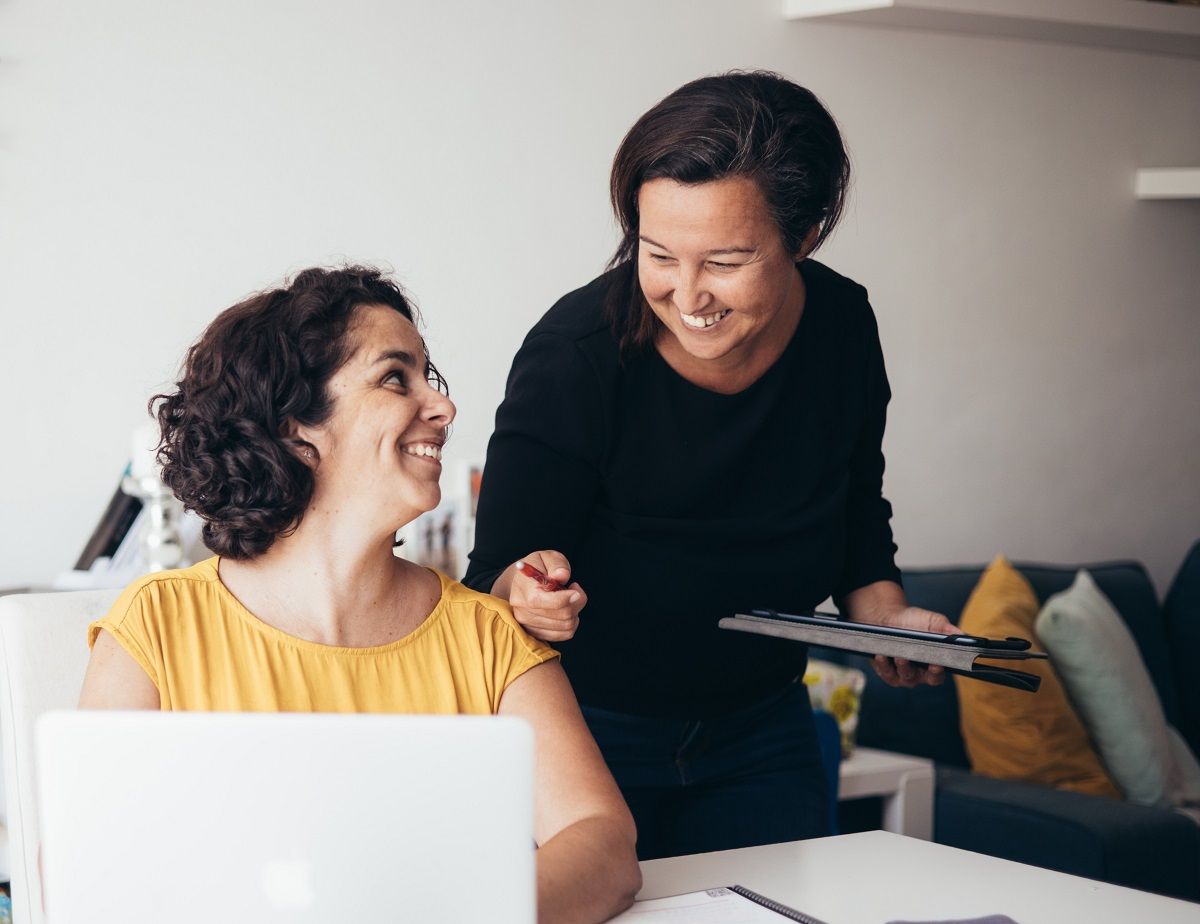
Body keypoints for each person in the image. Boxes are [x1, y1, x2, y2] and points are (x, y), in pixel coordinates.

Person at [463, 71, 958, 861]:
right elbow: (491, 583)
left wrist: (887, 617)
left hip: (762, 729)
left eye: (725, 262)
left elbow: (856, 501)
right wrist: (524, 594)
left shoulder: (841, 327)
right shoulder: (576, 355)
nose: (686, 294)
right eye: (657, 254)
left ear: (804, 237)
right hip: (588, 735)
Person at [78, 266, 641, 924]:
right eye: (395, 377)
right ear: (296, 428)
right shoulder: (158, 626)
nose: (443, 406)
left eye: (431, 377)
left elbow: (603, 844)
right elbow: (87, 866)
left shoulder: (488, 637)